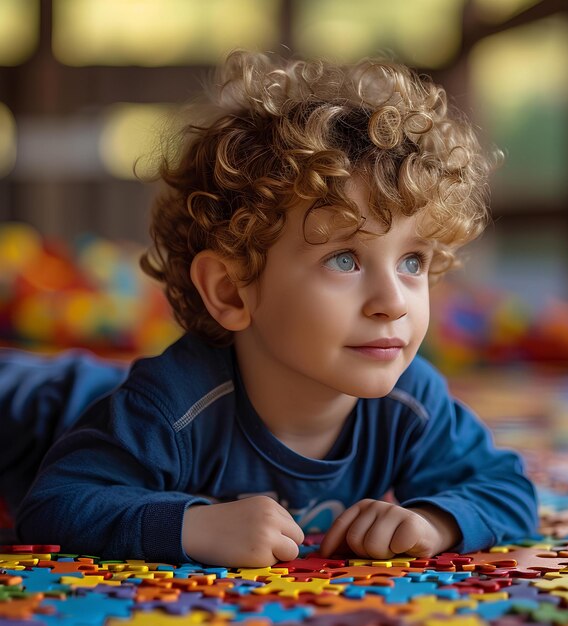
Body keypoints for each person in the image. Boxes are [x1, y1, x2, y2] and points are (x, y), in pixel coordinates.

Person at [9, 50, 538, 567]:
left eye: (412, 261)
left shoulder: (410, 403)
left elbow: (507, 490)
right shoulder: (173, 405)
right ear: (232, 292)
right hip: (29, 405)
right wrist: (191, 525)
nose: (393, 302)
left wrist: (434, 520)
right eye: (345, 260)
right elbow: (55, 503)